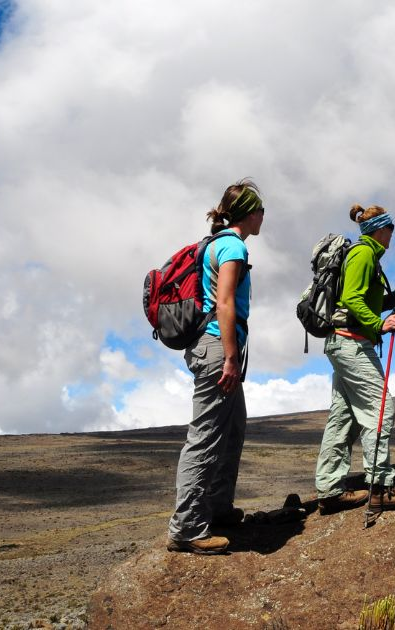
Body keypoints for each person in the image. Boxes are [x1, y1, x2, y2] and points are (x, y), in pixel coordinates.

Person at [167, 179, 265, 555]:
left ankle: (218, 508)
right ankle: (188, 527)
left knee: (233, 426)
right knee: (206, 435)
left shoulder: (217, 243)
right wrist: (228, 357)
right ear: (249, 212)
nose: (263, 217)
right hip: (215, 348)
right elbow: (224, 303)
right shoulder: (232, 245)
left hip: (213, 346)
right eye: (261, 210)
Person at [315, 204, 395, 515]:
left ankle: (330, 489)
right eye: (391, 229)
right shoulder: (363, 254)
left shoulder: (367, 255)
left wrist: (393, 297)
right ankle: (381, 488)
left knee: (344, 418)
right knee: (381, 409)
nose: (393, 235)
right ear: (381, 229)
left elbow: (361, 299)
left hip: (343, 343)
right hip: (352, 345)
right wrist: (379, 325)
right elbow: (351, 298)